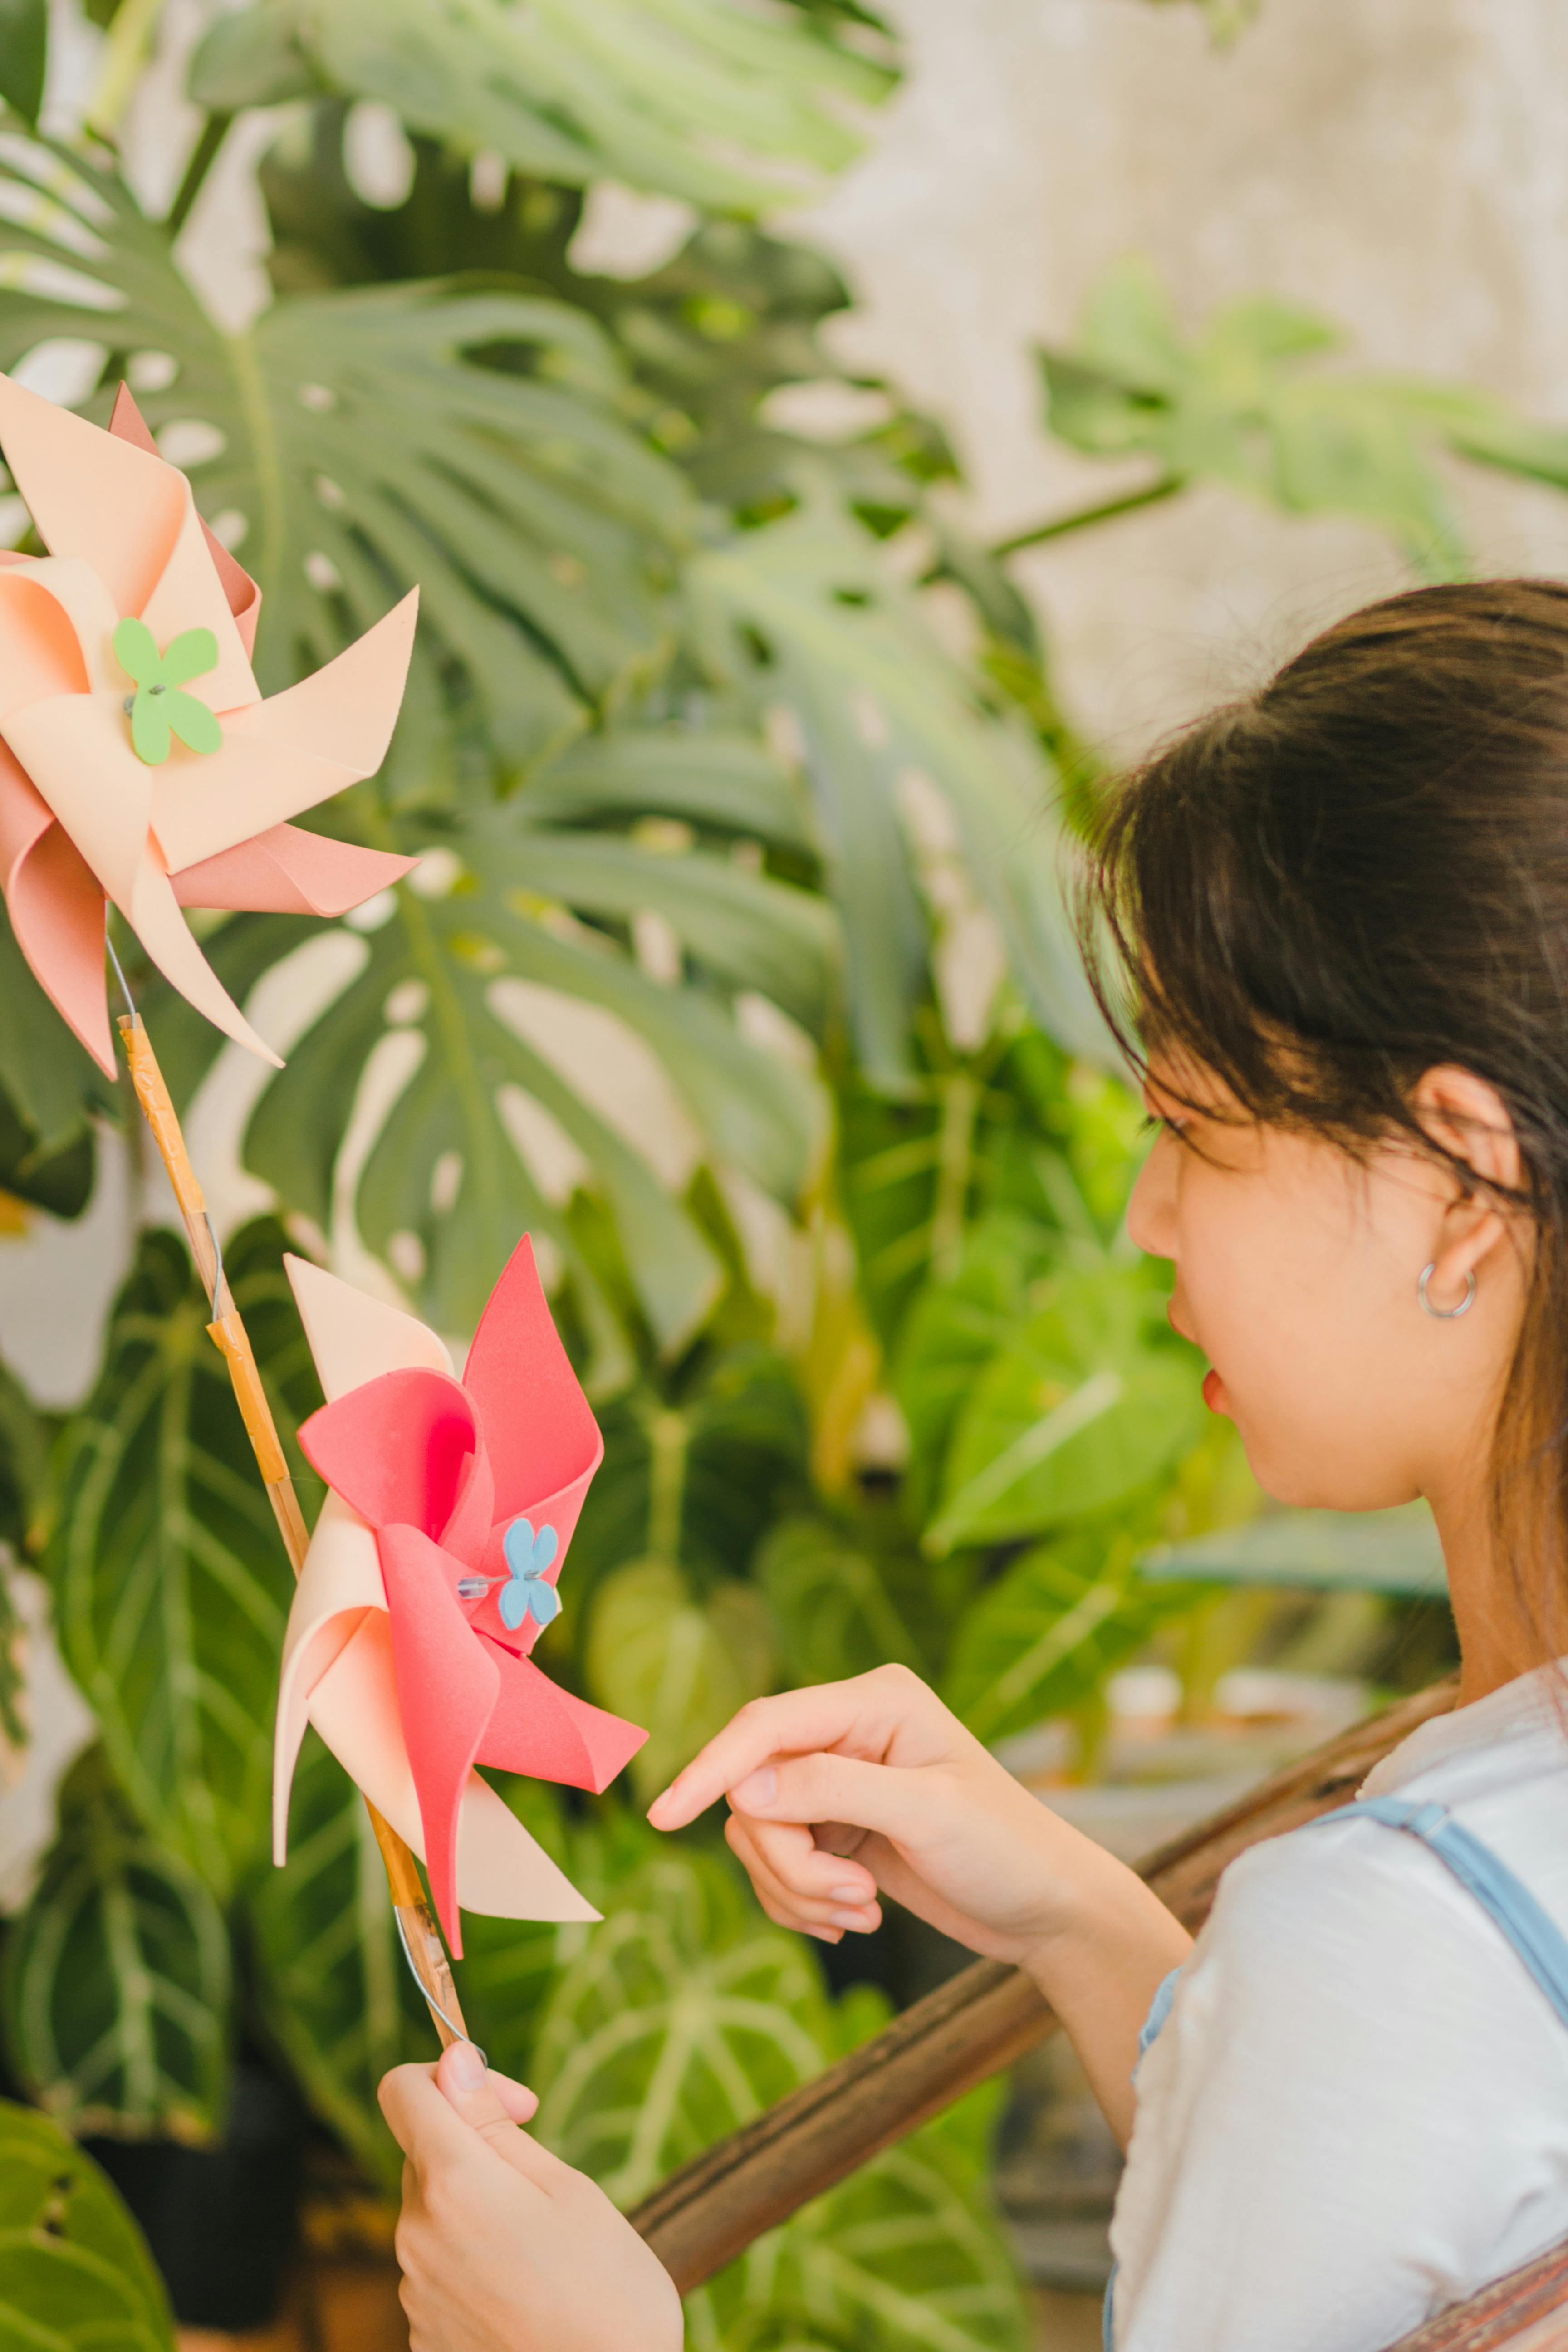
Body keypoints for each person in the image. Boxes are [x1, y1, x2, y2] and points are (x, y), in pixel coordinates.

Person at [382, 579, 1568, 2351]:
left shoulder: (1386, 1941)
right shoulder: (1462, 1881)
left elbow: (1391, 2054)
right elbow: (1428, 2209)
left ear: (1465, 1184)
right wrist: (1093, 1928)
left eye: (1189, 1129)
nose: (1143, 1217)